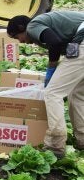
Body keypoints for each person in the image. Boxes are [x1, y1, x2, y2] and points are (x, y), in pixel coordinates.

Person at [7, 11, 84, 157]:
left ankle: (55, 146)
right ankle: (82, 139)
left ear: (22, 28)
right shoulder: (45, 22)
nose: (21, 42)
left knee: (53, 93)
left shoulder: (33, 25)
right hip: (80, 41)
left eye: (17, 37)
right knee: (77, 93)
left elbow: (54, 43)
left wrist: (51, 68)